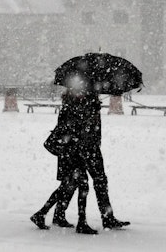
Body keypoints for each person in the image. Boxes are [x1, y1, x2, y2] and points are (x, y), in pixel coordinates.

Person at [30, 91, 96, 234]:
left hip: (70, 154)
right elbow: (71, 131)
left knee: (67, 187)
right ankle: (81, 222)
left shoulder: (71, 108)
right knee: (82, 186)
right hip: (72, 154)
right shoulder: (71, 109)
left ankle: (44, 214)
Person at [68, 92, 130, 229]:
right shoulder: (84, 102)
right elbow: (82, 126)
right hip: (86, 147)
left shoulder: (84, 100)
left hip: (87, 146)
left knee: (94, 182)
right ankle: (99, 218)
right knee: (92, 182)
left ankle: (104, 217)